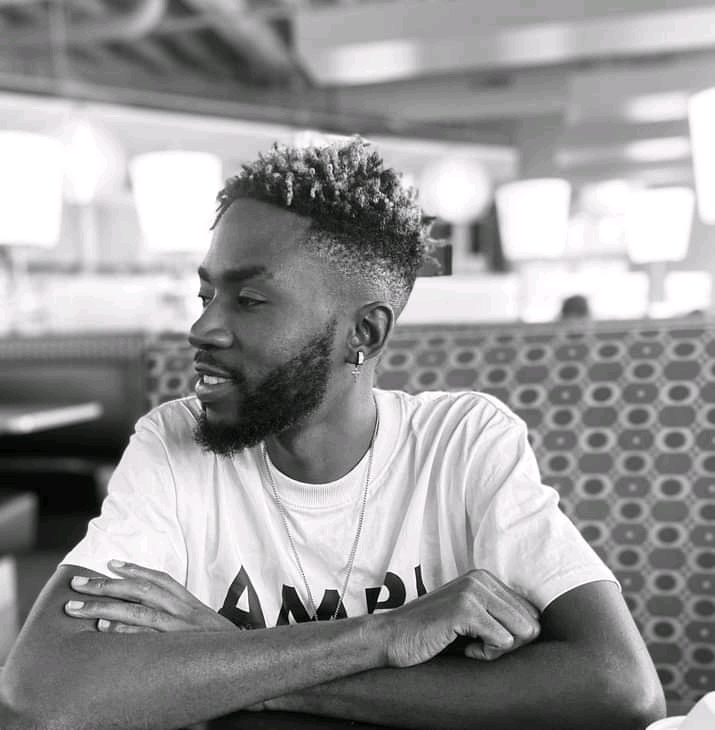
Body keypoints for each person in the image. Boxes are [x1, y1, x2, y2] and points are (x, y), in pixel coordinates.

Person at [1, 138, 664, 730]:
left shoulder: (462, 443)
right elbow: (45, 695)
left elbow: (619, 690)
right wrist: (383, 636)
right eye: (206, 296)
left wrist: (227, 661)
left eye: (249, 301)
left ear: (364, 333)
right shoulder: (174, 443)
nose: (202, 328)